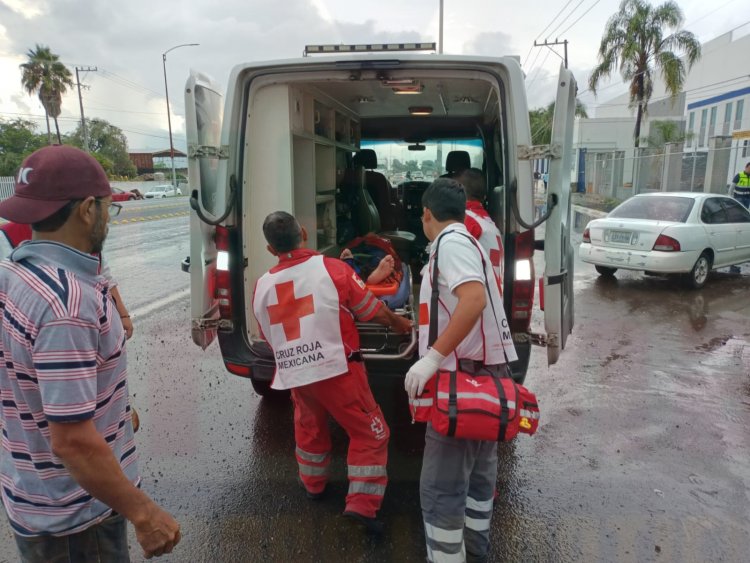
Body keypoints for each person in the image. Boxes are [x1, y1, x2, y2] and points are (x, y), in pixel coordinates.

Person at [0, 145, 180, 561]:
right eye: (107, 208)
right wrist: (143, 513)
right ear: (87, 210)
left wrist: (111, 412)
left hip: (34, 490)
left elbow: (32, 378)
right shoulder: (67, 305)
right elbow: (74, 443)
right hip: (77, 516)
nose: (108, 219)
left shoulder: (14, 273)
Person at [252, 211, 412, 534]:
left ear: (270, 249)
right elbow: (371, 311)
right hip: (338, 371)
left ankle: (313, 486)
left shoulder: (262, 285)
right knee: (371, 432)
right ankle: (362, 507)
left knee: (309, 428)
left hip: (297, 375)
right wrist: (400, 323)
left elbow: (271, 335)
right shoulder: (332, 269)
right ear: (305, 233)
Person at [404, 178, 518, 563]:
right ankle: (475, 551)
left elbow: (472, 299)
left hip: (465, 377)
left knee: (441, 487)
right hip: (484, 377)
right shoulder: (466, 239)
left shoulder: (450, 244)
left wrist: (433, 357)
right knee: (478, 478)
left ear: (426, 214)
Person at [0, 220, 134, 338]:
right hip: (35, 336)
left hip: (91, 331)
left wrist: (122, 315)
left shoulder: (85, 233)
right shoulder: (6, 237)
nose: (107, 217)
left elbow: (104, 275)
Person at [456, 168, 505, 293]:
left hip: (476, 300)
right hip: (491, 297)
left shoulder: (467, 222)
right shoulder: (487, 222)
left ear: (459, 193)